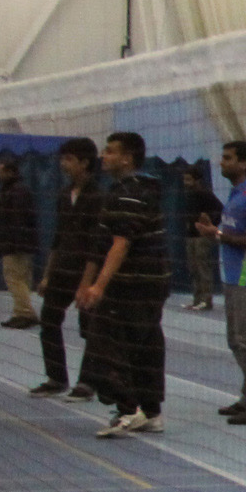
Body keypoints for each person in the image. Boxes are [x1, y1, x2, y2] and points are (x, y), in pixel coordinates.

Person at [75, 132, 171, 438]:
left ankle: (129, 410)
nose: (104, 156)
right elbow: (100, 243)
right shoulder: (118, 191)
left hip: (136, 286)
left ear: (127, 158)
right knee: (145, 346)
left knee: (105, 345)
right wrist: (85, 282)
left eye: (110, 151)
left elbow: (120, 244)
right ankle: (151, 412)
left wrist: (99, 286)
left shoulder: (132, 192)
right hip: (142, 285)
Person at [199, 140, 246, 426]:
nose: (222, 162)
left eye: (228, 158)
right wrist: (214, 231)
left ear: (244, 163)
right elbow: (232, 233)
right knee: (236, 341)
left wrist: (219, 236)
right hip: (233, 278)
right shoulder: (235, 194)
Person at [28, 138, 101, 398]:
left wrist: (88, 283)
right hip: (62, 271)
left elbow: (97, 244)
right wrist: (47, 274)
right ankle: (56, 378)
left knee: (90, 328)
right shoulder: (63, 195)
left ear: (85, 162)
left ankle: (88, 382)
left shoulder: (98, 197)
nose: (63, 164)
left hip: (87, 274)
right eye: (62, 159)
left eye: (69, 159)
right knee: (48, 321)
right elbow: (58, 238)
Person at [0, 161, 38, 327]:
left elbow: (18, 219)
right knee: (22, 279)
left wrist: (16, 244)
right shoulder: (13, 190)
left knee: (14, 278)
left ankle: (25, 314)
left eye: (0, 172)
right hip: (18, 242)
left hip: (15, 244)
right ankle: (22, 311)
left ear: (11, 172)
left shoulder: (16, 191)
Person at [181, 169, 222, 310]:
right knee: (193, 268)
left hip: (201, 237)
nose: (185, 183)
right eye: (184, 179)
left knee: (203, 267)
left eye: (188, 179)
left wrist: (211, 225)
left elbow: (219, 208)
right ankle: (197, 299)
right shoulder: (189, 195)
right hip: (190, 236)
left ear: (197, 180)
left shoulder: (205, 194)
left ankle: (206, 300)